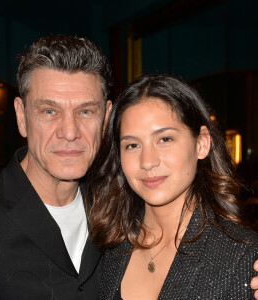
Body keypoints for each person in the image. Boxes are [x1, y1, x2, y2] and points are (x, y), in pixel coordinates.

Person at [0, 34, 112, 299]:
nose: (70, 132)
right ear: (22, 117)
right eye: (49, 111)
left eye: (85, 111)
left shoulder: (119, 208)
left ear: (106, 119)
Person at [87, 74, 258, 299]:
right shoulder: (108, 245)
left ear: (202, 143)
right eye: (132, 145)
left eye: (164, 139)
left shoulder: (242, 256)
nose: (148, 161)